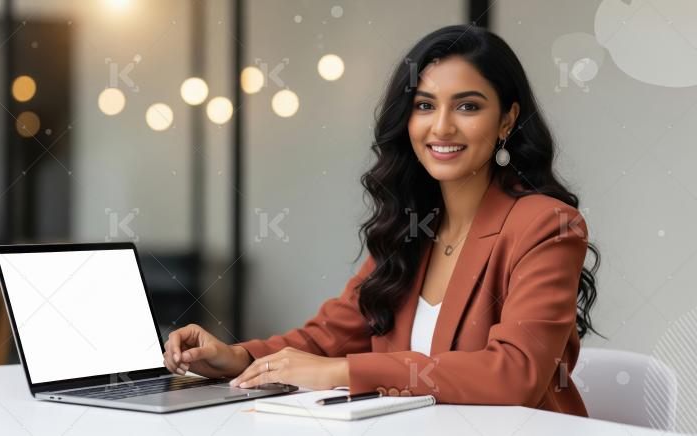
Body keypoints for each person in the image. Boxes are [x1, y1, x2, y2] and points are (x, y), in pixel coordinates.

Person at [163, 24, 601, 417]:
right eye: (425, 105)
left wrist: (342, 372)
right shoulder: (409, 229)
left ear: (507, 118)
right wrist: (235, 357)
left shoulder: (547, 225)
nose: (442, 127)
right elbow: (325, 339)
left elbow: (514, 373)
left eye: (467, 107)